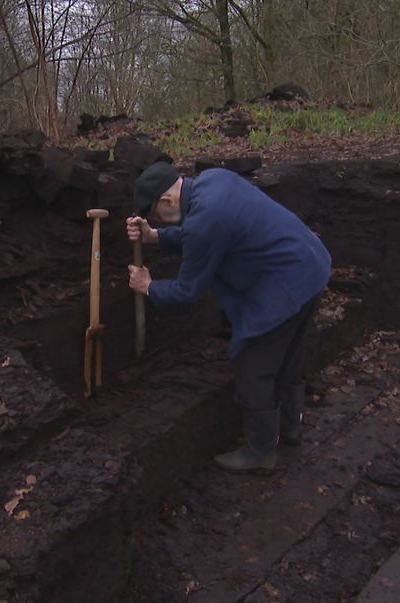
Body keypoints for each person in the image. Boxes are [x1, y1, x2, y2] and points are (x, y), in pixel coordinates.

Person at [126, 162, 332, 473]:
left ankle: (261, 452)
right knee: (288, 355)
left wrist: (149, 286)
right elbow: (202, 231)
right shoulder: (213, 180)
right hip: (310, 264)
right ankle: (290, 428)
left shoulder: (204, 220)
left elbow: (185, 293)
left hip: (286, 282)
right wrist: (155, 236)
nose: (156, 219)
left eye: (155, 214)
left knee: (252, 365)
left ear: (167, 201)